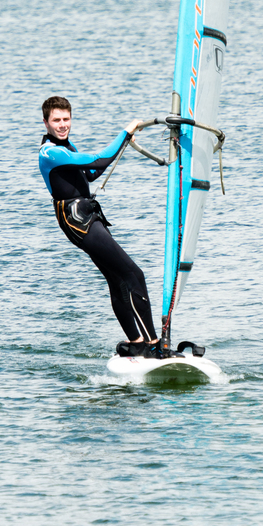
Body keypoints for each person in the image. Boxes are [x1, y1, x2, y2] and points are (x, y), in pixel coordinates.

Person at [39, 95, 172, 358]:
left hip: (86, 216)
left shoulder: (67, 146)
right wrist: (125, 132)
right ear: (45, 122)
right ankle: (154, 344)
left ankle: (136, 342)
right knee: (135, 275)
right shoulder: (50, 152)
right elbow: (99, 161)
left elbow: (91, 173)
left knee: (118, 281)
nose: (62, 124)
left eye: (66, 119)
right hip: (77, 221)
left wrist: (122, 144)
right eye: (56, 120)